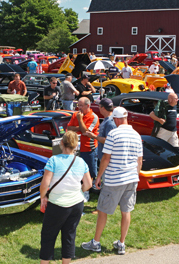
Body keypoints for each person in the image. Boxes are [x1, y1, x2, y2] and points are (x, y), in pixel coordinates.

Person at [81, 106, 143, 255]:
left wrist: (99, 176)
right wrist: (136, 176)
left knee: (102, 210)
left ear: (116, 119)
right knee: (126, 211)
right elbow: (139, 161)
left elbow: (105, 158)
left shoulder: (113, 135)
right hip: (131, 179)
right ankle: (121, 243)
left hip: (114, 179)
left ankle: (95, 242)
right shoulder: (136, 135)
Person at [39, 131, 92, 264]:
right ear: (76, 146)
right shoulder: (81, 161)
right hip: (76, 204)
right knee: (69, 236)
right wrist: (79, 190)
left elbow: (45, 184)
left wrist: (43, 197)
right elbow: (88, 184)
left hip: (57, 204)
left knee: (48, 236)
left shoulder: (53, 160)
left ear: (61, 143)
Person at [67, 97, 99, 199]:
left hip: (88, 148)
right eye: (78, 105)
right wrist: (80, 127)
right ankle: (79, 189)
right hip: (76, 148)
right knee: (77, 171)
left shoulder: (93, 117)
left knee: (89, 172)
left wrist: (80, 121)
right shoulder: (75, 114)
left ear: (87, 106)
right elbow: (69, 128)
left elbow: (86, 132)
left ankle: (87, 192)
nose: (78, 108)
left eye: (81, 105)